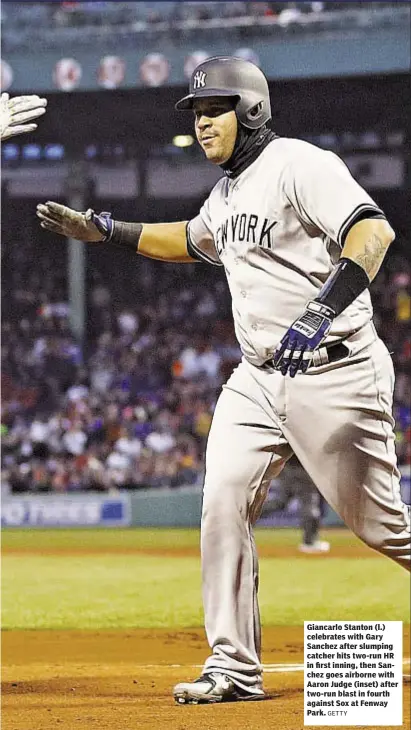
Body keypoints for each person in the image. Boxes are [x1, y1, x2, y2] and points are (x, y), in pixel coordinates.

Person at [36, 56, 410, 705]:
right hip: (257, 379)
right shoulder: (227, 193)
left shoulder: (300, 164)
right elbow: (186, 238)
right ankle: (232, 667)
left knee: (381, 527)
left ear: (252, 111)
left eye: (214, 111)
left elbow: (372, 232)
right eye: (197, 115)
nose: (203, 124)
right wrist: (103, 231)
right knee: (221, 503)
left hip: (336, 369)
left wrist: (320, 311)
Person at [261, 456, 331, 553]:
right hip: (302, 469)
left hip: (288, 468)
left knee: (280, 502)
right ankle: (309, 542)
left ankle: (248, 515)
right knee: (310, 505)